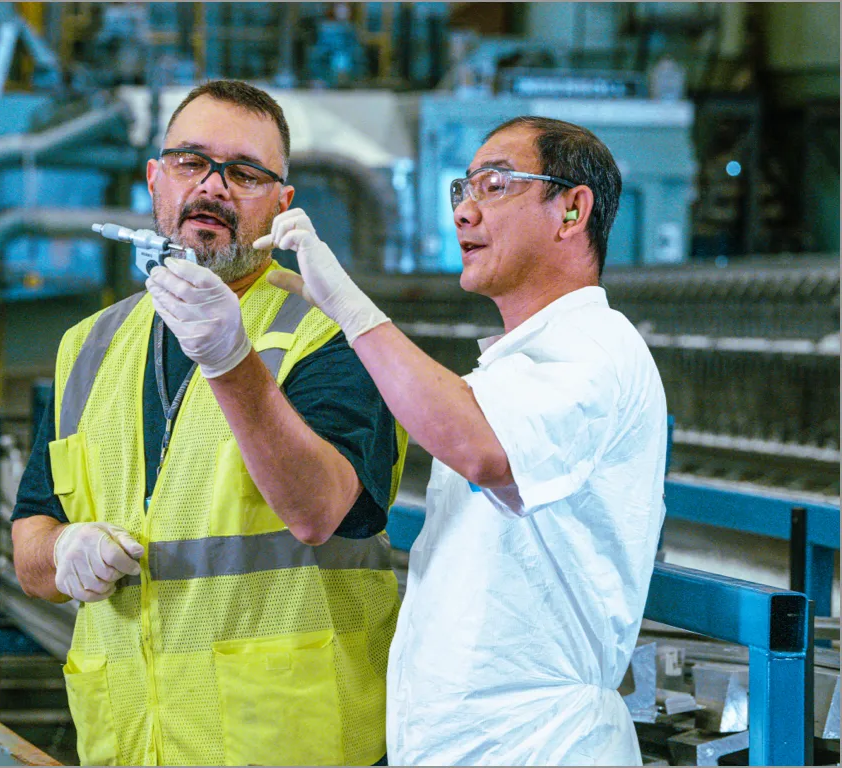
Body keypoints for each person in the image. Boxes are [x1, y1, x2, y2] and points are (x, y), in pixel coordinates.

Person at [11, 80, 407, 767]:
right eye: (192, 163)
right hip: (131, 745)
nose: (215, 187)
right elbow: (30, 548)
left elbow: (318, 510)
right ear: (155, 180)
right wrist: (66, 548)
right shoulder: (90, 346)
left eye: (246, 173)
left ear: (283, 206)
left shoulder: (331, 335)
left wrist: (229, 360)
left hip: (289, 746)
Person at [260, 116, 668, 765]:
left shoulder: (598, 347)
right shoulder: (513, 366)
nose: (465, 214)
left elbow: (480, 445)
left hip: (541, 747)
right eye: (462, 191)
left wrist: (351, 309)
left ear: (570, 210)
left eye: (495, 185)